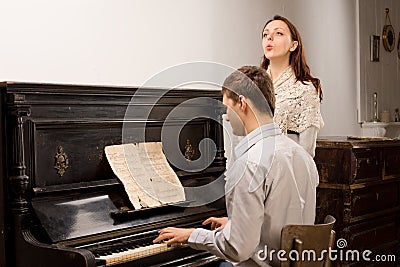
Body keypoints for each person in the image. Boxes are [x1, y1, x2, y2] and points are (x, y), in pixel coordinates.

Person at [153, 66, 319, 267]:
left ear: (242, 103)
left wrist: (193, 235)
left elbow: (237, 249)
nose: (226, 117)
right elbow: (282, 224)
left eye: (226, 108)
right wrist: (235, 225)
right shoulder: (302, 156)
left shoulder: (248, 164)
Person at [261, 15, 324, 157]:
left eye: (278, 33)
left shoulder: (305, 89)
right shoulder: (253, 85)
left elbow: (307, 151)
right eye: (265, 34)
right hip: (253, 171)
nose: (269, 38)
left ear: (293, 45)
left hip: (288, 171)